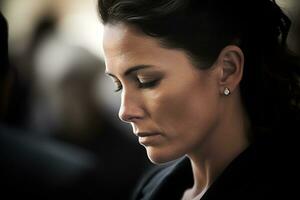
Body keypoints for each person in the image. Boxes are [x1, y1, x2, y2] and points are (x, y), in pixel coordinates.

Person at [98, 0, 300, 199]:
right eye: (119, 86)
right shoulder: (152, 188)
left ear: (227, 70)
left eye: (146, 81)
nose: (124, 112)